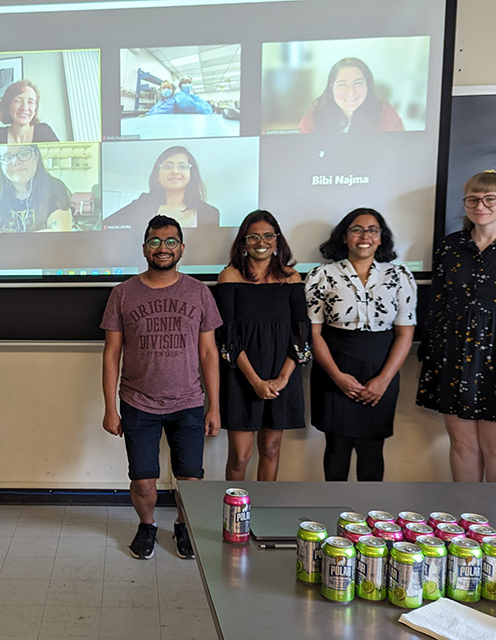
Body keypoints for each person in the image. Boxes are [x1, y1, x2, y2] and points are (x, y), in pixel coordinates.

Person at [101, 215, 222, 560]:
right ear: (144, 248)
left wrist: (213, 406)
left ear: (182, 248)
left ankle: (184, 526)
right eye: (155, 241)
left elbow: (209, 353)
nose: (163, 248)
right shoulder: (122, 294)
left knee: (191, 481)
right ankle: (148, 525)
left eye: (170, 241)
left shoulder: (199, 292)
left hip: (188, 402)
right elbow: (111, 354)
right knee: (142, 480)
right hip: (138, 402)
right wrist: (110, 407)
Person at [417, 171, 496, 482]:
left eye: (490, 198)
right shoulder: (450, 246)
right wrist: (432, 350)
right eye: (474, 199)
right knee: (462, 445)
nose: (482, 205)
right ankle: (467, 523)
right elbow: (438, 301)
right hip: (455, 350)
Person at [305, 208, 416, 481]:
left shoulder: (399, 276)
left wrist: (383, 380)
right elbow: (313, 333)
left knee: (372, 450)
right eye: (356, 230)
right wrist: (337, 377)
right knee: (336, 449)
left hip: (381, 370)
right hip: (334, 371)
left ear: (381, 238)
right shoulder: (322, 275)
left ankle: (371, 520)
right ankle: (336, 518)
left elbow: (405, 333)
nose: (364, 236)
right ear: (345, 237)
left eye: (372, 230)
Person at [216, 210, 309, 481]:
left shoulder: (291, 277)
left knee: (270, 448)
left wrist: (282, 378)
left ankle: (265, 512)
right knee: (240, 456)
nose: (261, 241)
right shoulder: (229, 276)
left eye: (268, 235)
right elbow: (226, 336)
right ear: (243, 242)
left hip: (282, 376)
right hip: (242, 377)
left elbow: (301, 333)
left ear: (277, 240)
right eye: (253, 236)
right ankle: (233, 519)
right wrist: (256, 381)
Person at [0, 145, 72, 233]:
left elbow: (59, 238)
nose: (16, 161)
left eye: (24, 153)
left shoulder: (55, 188)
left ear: (36, 156)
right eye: (7, 157)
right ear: (0, 163)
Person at [103, 146, 219, 231]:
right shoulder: (141, 205)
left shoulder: (210, 213)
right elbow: (106, 225)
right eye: (168, 166)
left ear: (191, 174)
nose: (175, 171)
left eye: (182, 166)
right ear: (158, 175)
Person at [298, 57, 405, 134]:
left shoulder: (385, 112)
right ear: (331, 86)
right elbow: (303, 150)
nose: (351, 92)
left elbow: (399, 150)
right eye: (342, 84)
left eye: (357, 83)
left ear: (368, 85)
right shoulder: (316, 112)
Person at [0, 79, 60, 144]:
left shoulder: (44, 132)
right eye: (17, 101)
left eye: (30, 102)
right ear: (8, 106)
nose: (24, 107)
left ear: (35, 109)